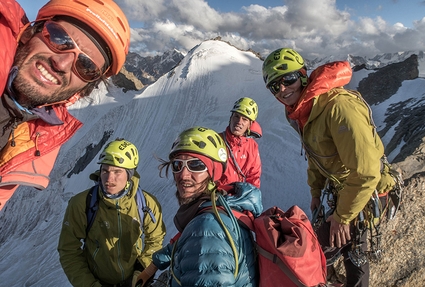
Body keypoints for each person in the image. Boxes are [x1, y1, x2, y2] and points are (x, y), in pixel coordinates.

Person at [262, 48, 393, 287]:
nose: (282, 89)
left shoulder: (338, 108)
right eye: (274, 86)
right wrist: (315, 191)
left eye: (287, 79)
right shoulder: (304, 111)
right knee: (343, 246)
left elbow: (366, 173)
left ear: (303, 76)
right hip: (343, 188)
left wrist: (342, 217)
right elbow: (316, 154)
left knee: (331, 247)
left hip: (369, 191)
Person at [0, 0, 130, 209]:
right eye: (59, 38)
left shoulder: (30, 136)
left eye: (86, 66)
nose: (61, 64)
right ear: (30, 32)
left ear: (83, 90)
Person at [136, 126, 262, 287]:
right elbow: (184, 243)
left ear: (214, 172)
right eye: (177, 165)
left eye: (195, 165)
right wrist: (154, 265)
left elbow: (204, 242)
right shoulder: (221, 205)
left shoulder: (206, 227)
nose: (183, 174)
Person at [58, 139, 166, 287]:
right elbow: (69, 250)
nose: (109, 179)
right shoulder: (81, 204)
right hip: (97, 281)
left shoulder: (146, 204)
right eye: (105, 171)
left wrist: (140, 273)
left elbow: (155, 240)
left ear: (129, 174)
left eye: (117, 172)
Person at [218, 97, 262, 188]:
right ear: (231, 118)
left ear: (250, 124)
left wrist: (250, 197)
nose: (239, 122)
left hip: (238, 197)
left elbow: (254, 176)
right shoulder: (217, 141)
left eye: (244, 119)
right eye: (236, 116)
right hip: (217, 197)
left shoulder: (252, 146)